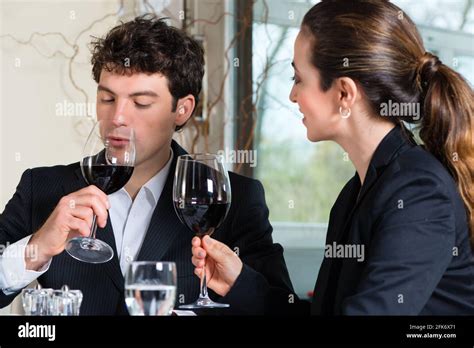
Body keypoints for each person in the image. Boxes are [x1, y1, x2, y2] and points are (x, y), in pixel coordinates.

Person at [191, 0, 474, 315]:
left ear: (344, 94)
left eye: (298, 78)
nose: (292, 95)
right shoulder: (359, 191)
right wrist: (240, 282)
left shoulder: (419, 191)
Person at [0, 15, 295, 315]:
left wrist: (239, 284)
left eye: (140, 102)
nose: (117, 117)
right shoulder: (42, 187)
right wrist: (34, 249)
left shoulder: (235, 200)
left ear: (182, 110)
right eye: (107, 98)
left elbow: (285, 310)